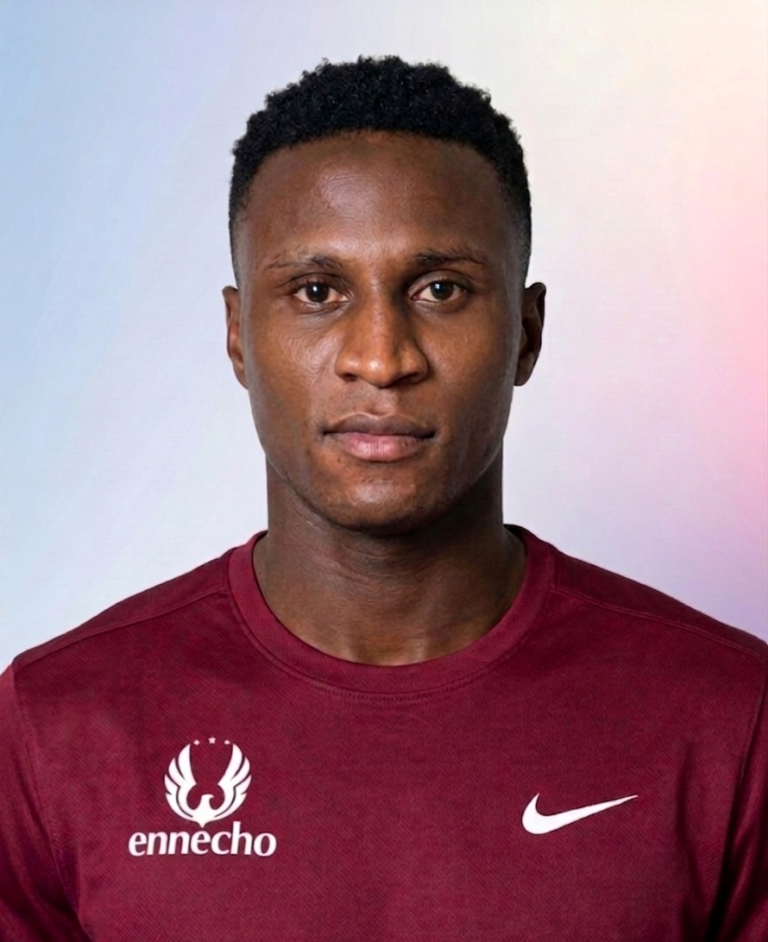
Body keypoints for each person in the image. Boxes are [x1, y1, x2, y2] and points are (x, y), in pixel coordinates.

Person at [0, 56, 765, 941]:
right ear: (239, 337)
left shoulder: (731, 718)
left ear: (526, 333)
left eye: (440, 290)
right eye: (317, 292)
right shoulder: (58, 723)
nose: (381, 356)